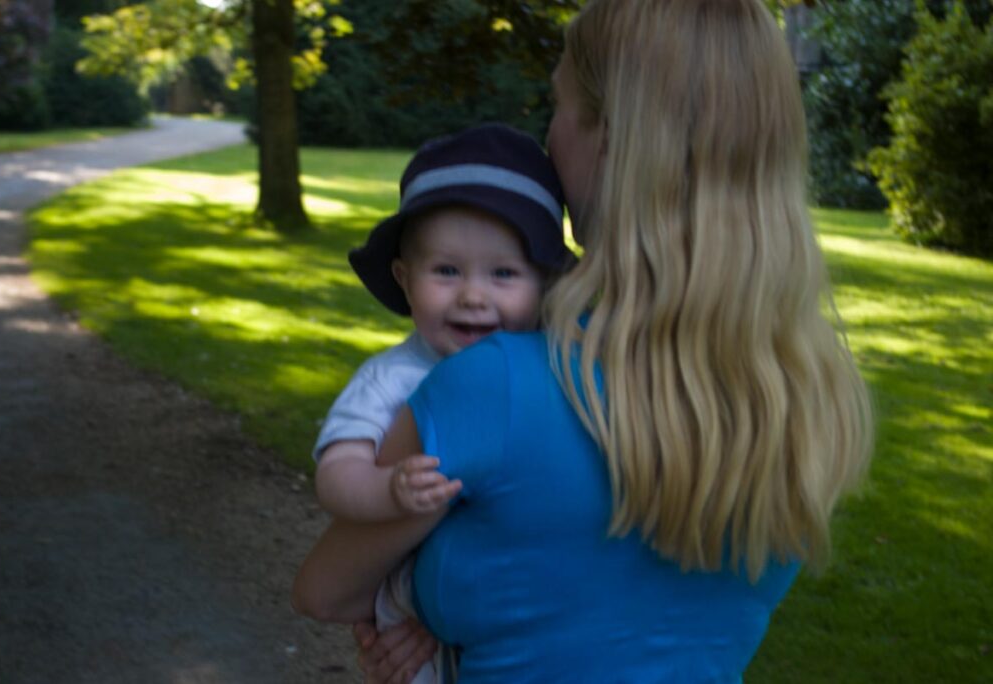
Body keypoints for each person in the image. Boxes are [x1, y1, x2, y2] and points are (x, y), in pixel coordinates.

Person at [294, 0, 873, 681]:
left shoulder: (495, 385)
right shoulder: (805, 400)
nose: (549, 135)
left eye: (559, 106)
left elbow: (327, 591)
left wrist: (419, 609)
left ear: (611, 140)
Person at [310, 123, 575, 682]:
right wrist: (388, 489)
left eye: (503, 273)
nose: (473, 295)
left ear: (545, 284)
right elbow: (336, 471)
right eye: (447, 271)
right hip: (410, 603)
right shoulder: (392, 377)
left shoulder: (554, 369)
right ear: (405, 280)